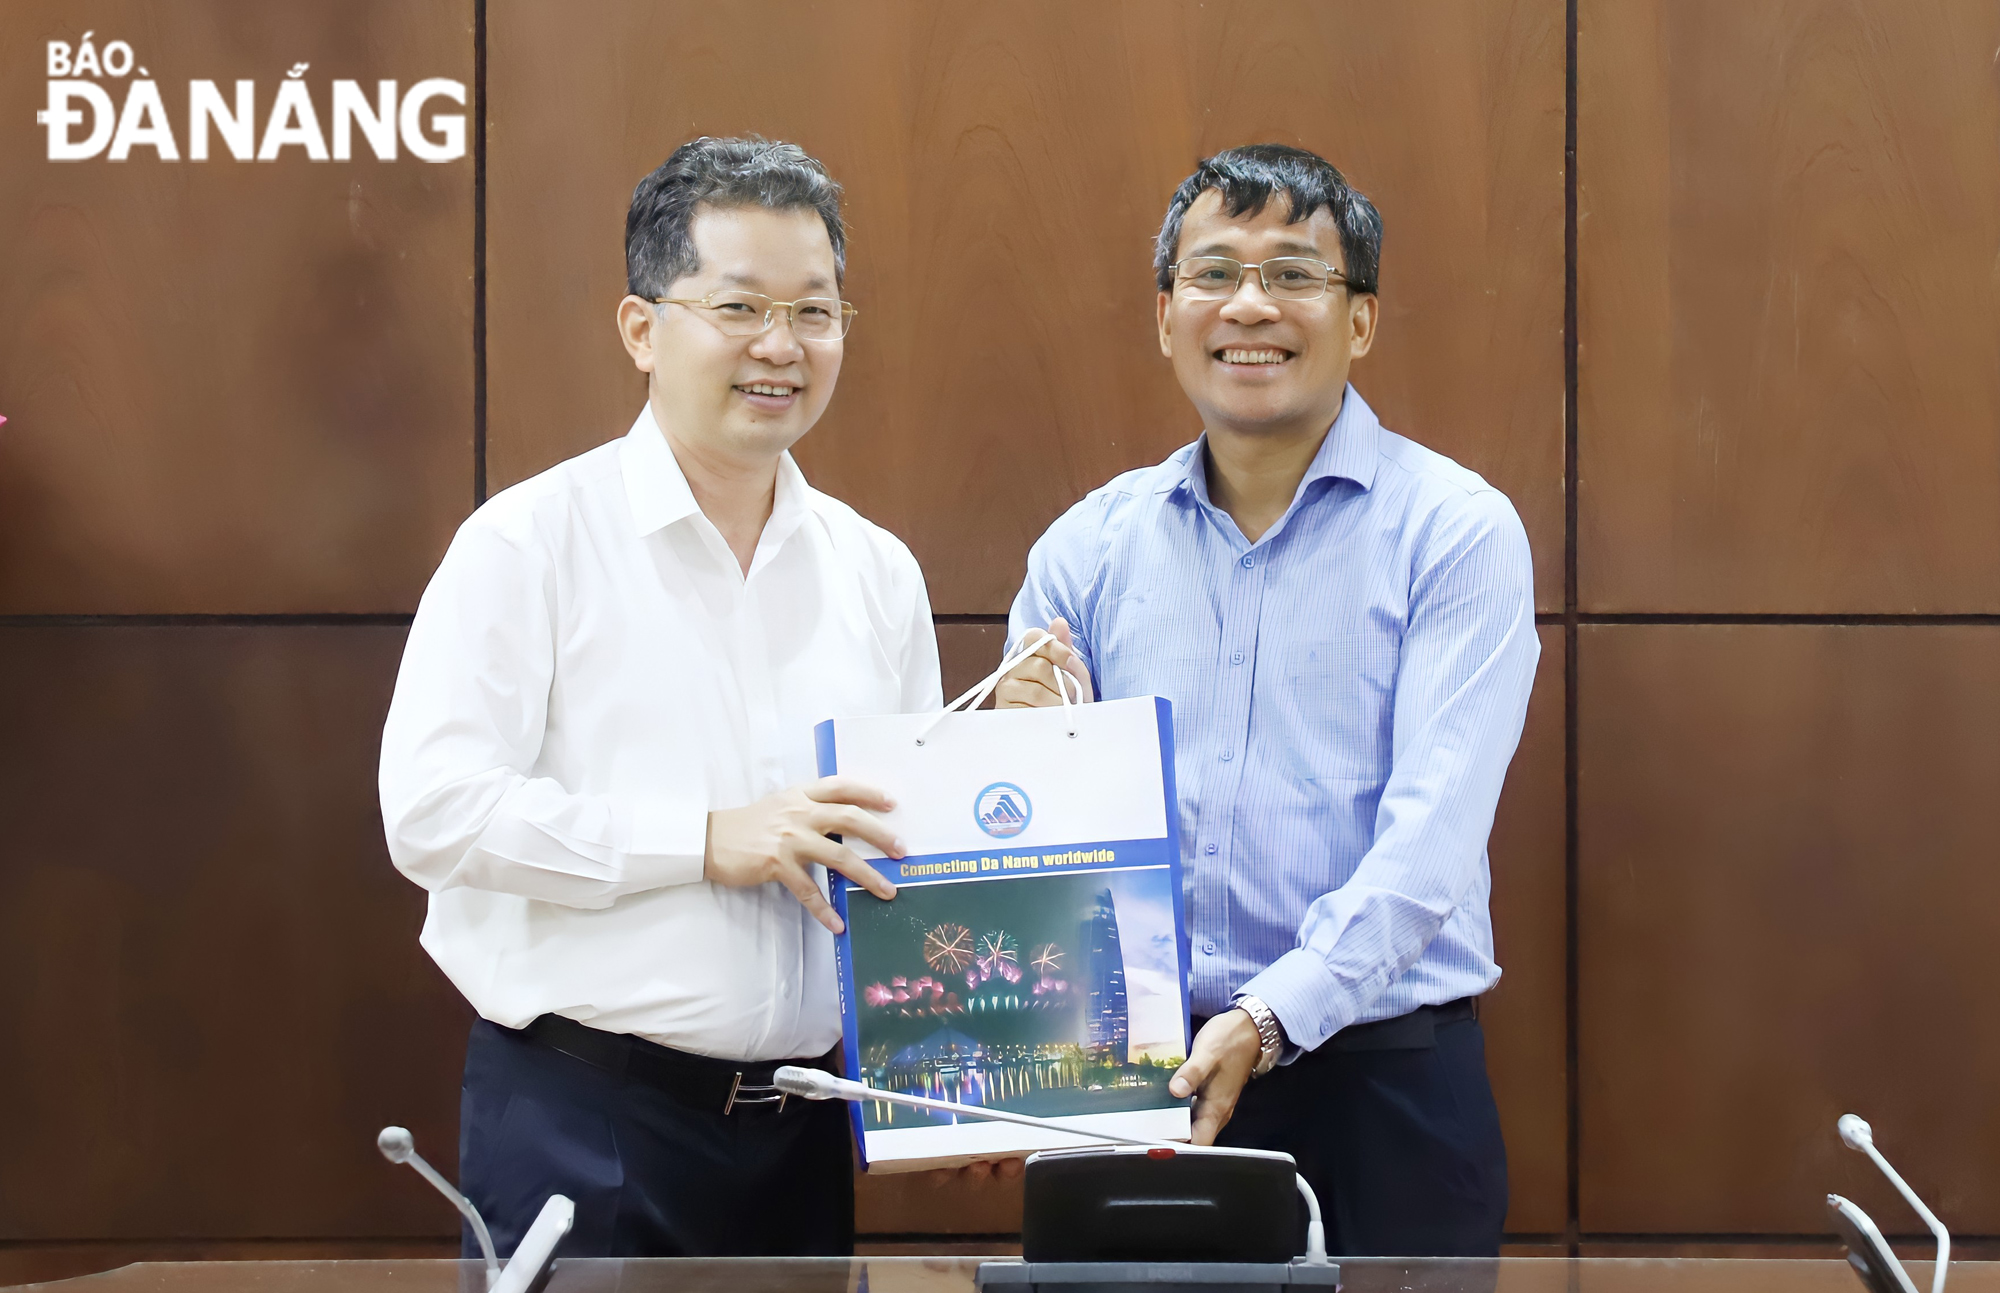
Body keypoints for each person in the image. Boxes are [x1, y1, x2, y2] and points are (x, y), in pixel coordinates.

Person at [379, 137, 940, 1258]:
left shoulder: (877, 571)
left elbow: (894, 853)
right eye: (739, 308)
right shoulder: (529, 543)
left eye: (815, 313)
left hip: (802, 1133)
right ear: (642, 328)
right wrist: (701, 841)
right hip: (585, 1121)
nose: (781, 346)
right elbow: (431, 812)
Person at [996, 144, 1538, 1256]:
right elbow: (1031, 840)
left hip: (1384, 1089)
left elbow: (1428, 846)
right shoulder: (1086, 549)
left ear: (1360, 321)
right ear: (1163, 315)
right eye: (1213, 274)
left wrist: (1267, 1016)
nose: (1249, 304)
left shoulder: (1454, 532)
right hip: (1137, 1085)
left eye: (1293, 274)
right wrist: (1011, 778)